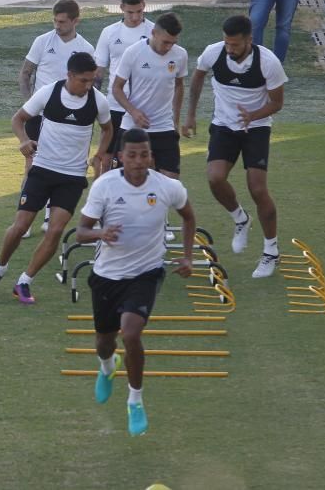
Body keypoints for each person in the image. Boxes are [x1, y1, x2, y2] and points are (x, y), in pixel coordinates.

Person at [74, 128, 196, 437]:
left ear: (151, 156)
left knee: (130, 333)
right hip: (107, 275)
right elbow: (81, 232)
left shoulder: (168, 187)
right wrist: (101, 233)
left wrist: (187, 257)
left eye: (144, 155)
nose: (139, 162)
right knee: (104, 341)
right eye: (132, 156)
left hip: (146, 272)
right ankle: (106, 367)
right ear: (121, 158)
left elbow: (188, 217)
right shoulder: (104, 186)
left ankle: (135, 400)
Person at [0, 52, 112, 304]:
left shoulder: (99, 101)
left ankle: (24, 281)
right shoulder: (49, 93)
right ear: (69, 76)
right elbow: (18, 119)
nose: (88, 85)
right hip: (42, 170)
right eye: (83, 80)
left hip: (72, 177)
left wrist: (100, 154)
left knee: (55, 230)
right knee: (20, 226)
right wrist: (24, 141)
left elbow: (107, 129)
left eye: (91, 80)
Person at [182, 15, 288, 278]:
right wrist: (191, 115)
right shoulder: (213, 53)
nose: (229, 49)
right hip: (224, 125)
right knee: (215, 178)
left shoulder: (268, 62)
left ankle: (270, 251)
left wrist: (253, 116)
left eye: (235, 44)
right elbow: (196, 81)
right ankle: (241, 219)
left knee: (258, 188)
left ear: (249, 40)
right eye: (226, 43)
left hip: (257, 127)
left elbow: (277, 103)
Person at [19, 0, 95, 234]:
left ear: (75, 21)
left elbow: (92, 84)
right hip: (40, 115)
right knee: (32, 166)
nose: (57, 25)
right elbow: (25, 73)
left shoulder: (86, 49)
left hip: (68, 118)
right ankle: (26, 218)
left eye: (62, 21)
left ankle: (49, 216)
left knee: (60, 166)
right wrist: (29, 103)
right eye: (54, 20)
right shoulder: (42, 42)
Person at [112, 12, 187, 181]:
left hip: (164, 127)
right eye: (165, 42)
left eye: (173, 43)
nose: (169, 47)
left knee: (171, 183)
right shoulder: (133, 52)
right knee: (124, 181)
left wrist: (175, 119)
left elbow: (179, 85)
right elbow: (117, 88)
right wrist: (134, 112)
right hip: (133, 126)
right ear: (154, 33)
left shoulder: (180, 55)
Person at [94, 0, 155, 167]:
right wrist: (93, 102)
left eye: (139, 11)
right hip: (114, 105)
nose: (135, 17)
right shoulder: (109, 32)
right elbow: (99, 72)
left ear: (144, 5)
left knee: (145, 157)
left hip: (144, 107)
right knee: (106, 156)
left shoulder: (154, 32)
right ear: (121, 8)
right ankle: (101, 194)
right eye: (130, 12)